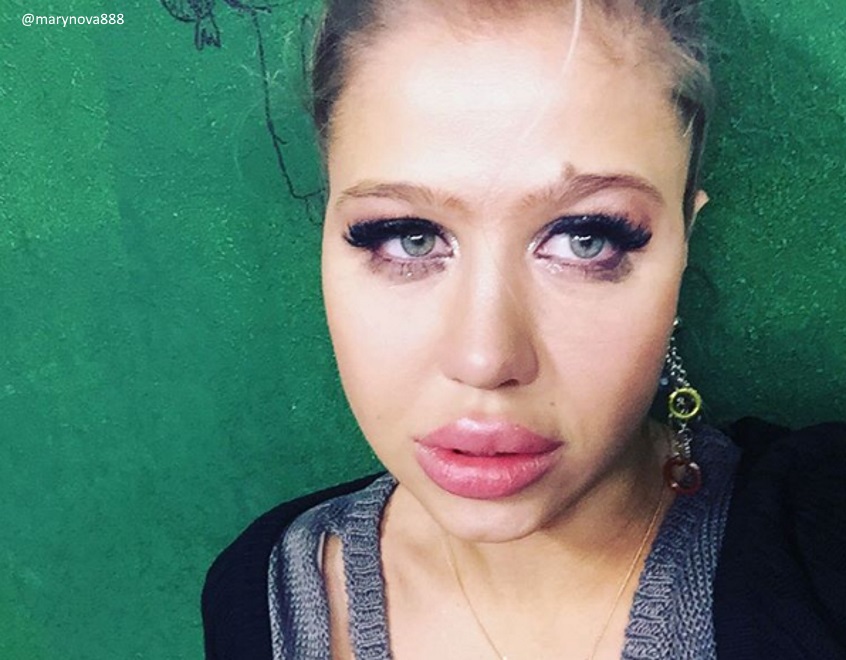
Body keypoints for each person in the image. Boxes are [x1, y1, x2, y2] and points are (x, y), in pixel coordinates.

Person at [202, 1, 846, 658]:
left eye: (586, 239)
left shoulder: (821, 547)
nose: (485, 359)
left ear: (683, 247)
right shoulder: (261, 599)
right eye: (408, 237)